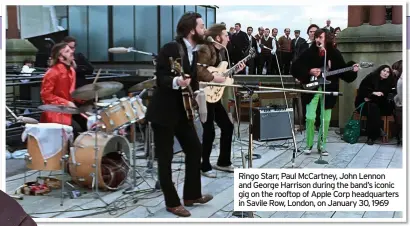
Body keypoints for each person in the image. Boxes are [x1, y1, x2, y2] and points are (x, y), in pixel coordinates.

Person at [145, 12, 213, 217]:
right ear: (192, 29)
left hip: (183, 111)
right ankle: (172, 202)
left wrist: (195, 94)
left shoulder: (193, 51)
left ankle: (191, 195)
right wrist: (176, 82)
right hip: (164, 112)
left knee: (195, 148)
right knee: (165, 159)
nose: (204, 29)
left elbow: (192, 81)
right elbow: (161, 77)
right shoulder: (171, 48)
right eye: (202, 26)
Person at [291, 29, 359, 155]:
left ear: (326, 39)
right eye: (316, 37)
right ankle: (309, 144)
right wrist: (309, 71)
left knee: (325, 119)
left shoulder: (334, 54)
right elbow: (295, 67)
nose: (318, 39)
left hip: (329, 88)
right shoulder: (309, 52)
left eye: (321, 37)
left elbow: (343, 72)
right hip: (312, 88)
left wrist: (352, 69)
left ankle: (322, 146)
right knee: (310, 117)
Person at [196, 24, 245, 178]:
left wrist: (234, 71)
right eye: (225, 35)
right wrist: (215, 78)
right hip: (203, 94)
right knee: (209, 131)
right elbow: (200, 70)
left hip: (213, 96)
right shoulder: (205, 49)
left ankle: (223, 162)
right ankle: (204, 166)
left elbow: (222, 73)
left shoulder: (221, 53)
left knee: (227, 126)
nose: (228, 37)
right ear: (218, 38)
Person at [40, 42, 83, 138]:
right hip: (55, 112)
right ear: (60, 57)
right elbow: (46, 95)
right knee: (76, 130)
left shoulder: (71, 70)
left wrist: (86, 96)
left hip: (69, 109)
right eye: (67, 51)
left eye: (70, 49)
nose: (72, 52)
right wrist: (66, 103)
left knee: (90, 123)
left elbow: (71, 92)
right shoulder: (52, 73)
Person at [355, 65, 395, 145]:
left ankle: (375, 132)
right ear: (380, 71)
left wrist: (373, 97)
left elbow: (387, 95)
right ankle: (373, 135)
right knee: (373, 108)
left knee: (375, 108)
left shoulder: (389, 82)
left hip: (380, 105)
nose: (385, 73)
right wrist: (373, 93)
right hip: (364, 104)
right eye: (384, 71)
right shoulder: (371, 77)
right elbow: (362, 90)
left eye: (388, 72)